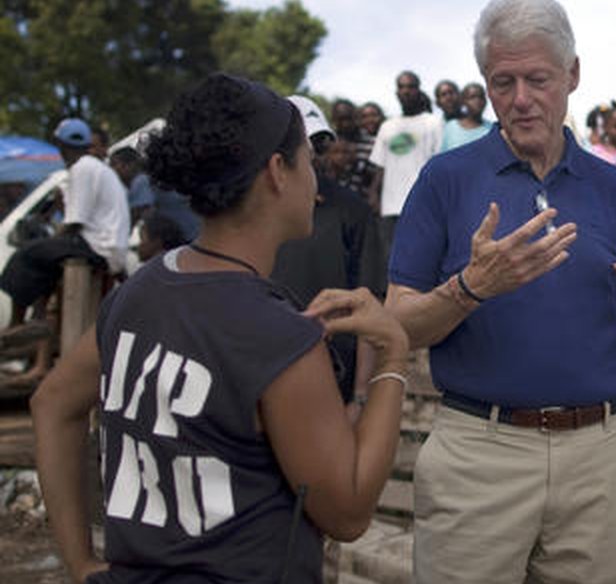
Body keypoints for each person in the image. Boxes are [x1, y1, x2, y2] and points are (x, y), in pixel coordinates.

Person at [30, 72, 410, 584]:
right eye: (308, 161)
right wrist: (393, 358)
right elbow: (347, 513)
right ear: (278, 171)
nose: (316, 180)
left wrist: (79, 564)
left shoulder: (138, 291)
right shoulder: (278, 337)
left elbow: (51, 403)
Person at [385, 0, 616, 581]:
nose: (521, 97)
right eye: (504, 82)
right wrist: (471, 288)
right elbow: (398, 325)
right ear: (486, 84)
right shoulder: (444, 181)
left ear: (572, 75)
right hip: (480, 454)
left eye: (538, 80)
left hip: (602, 459)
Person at [273, 94, 386, 409]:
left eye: (319, 144)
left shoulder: (353, 211)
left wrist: (361, 395)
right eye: (301, 143)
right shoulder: (251, 209)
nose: (311, 153)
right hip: (262, 370)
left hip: (334, 377)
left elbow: (370, 301)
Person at [0, 118, 131, 382]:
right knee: (43, 257)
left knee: (27, 253)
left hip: (98, 248)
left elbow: (74, 222)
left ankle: (17, 321)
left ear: (60, 145)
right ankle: (35, 318)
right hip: (107, 247)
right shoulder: (95, 168)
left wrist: (50, 241)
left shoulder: (82, 168)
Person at [368, 70, 443, 258]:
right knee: (391, 262)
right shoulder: (387, 126)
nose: (406, 91)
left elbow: (439, 164)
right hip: (390, 208)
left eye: (411, 87)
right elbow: (380, 166)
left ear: (418, 90)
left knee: (421, 262)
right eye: (402, 87)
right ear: (396, 93)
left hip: (422, 206)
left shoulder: (433, 123)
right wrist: (374, 194)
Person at [331, 98, 376, 199]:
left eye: (349, 118)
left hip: (362, 201)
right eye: (341, 119)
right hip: (333, 202)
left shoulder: (371, 142)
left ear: (356, 117)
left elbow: (377, 176)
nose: (345, 123)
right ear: (334, 119)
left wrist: (355, 162)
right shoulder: (328, 142)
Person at [441, 82, 494, 151]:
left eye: (481, 97)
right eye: (472, 97)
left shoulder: (491, 129)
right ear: (463, 101)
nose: (477, 101)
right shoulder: (451, 127)